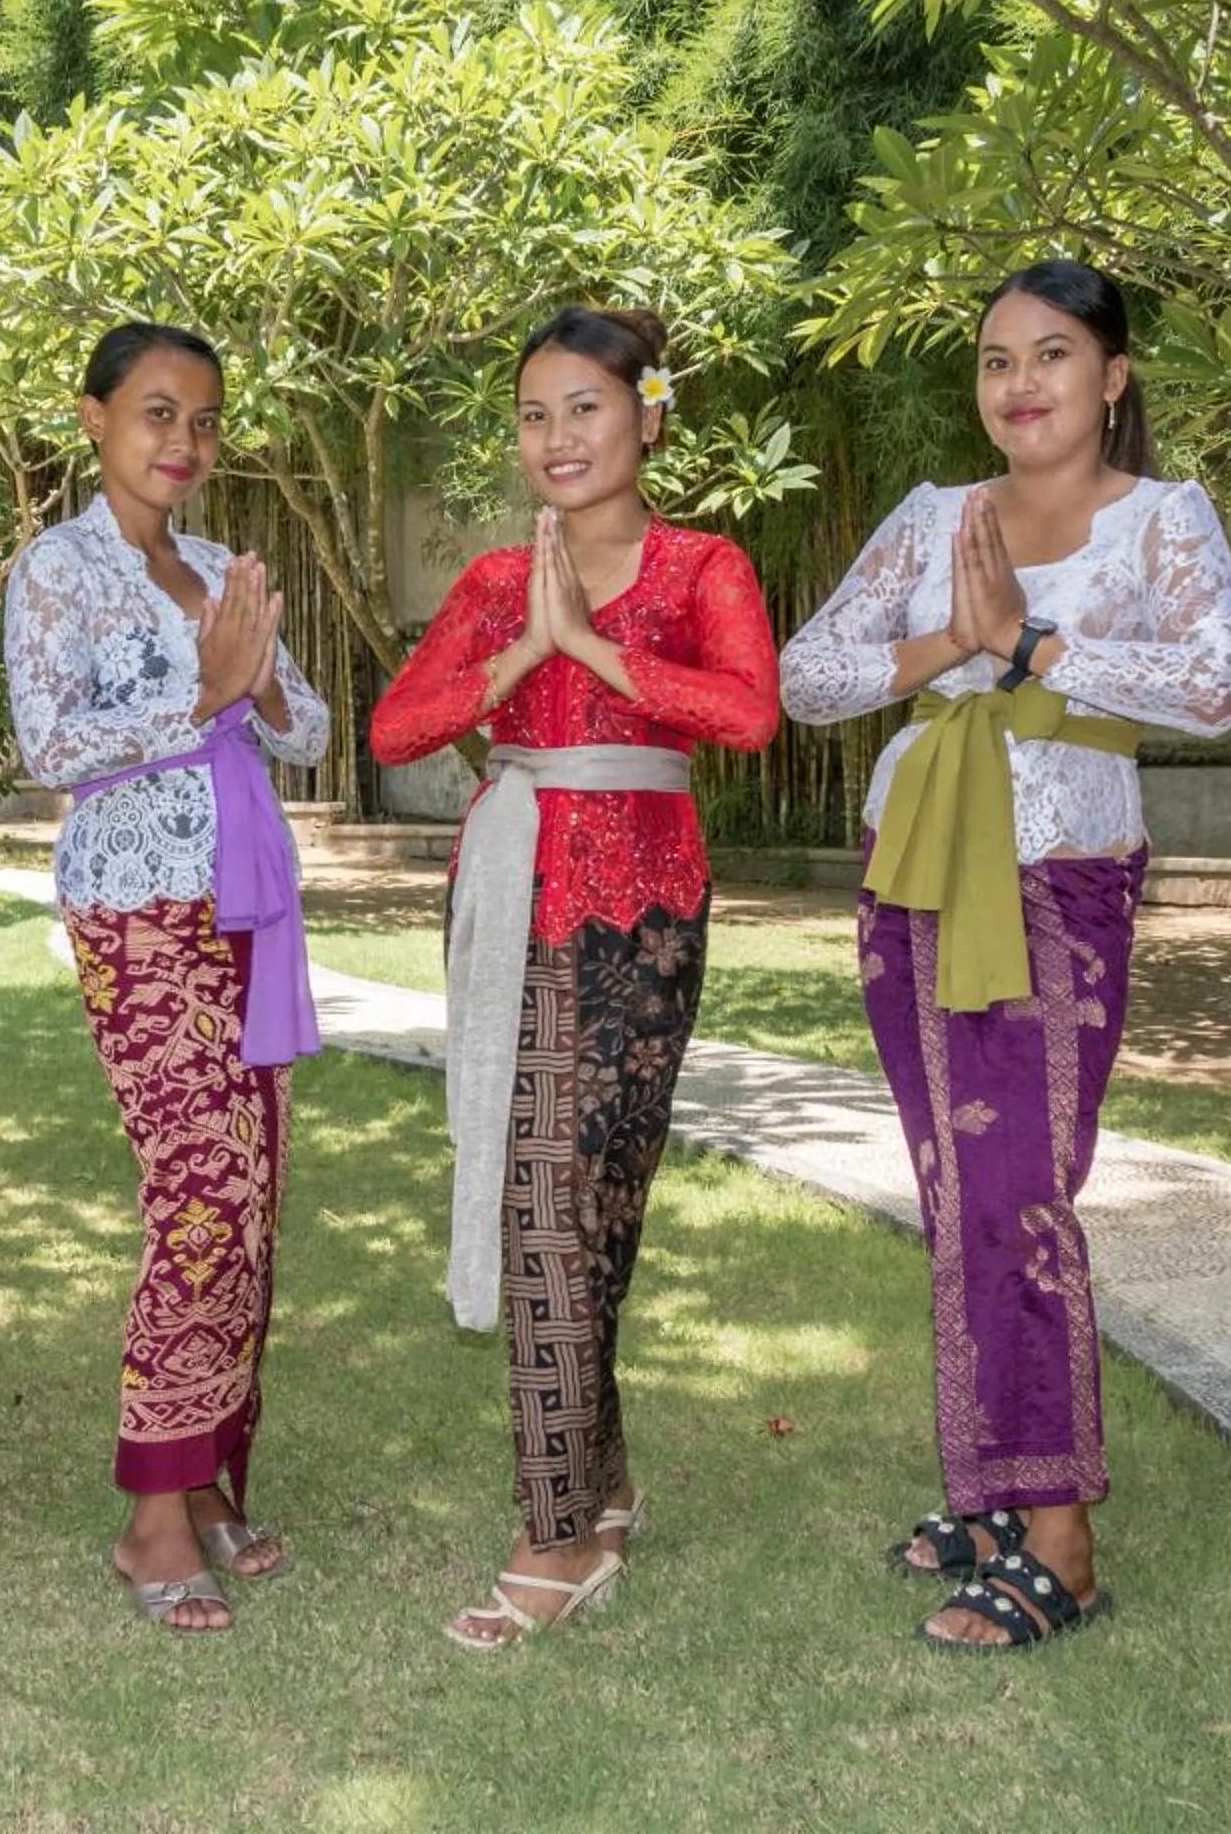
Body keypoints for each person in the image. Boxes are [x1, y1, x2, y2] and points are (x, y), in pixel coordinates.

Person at [781, 259, 1231, 1650]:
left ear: (1113, 376)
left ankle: (1063, 1537)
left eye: (1053, 355)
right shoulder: (935, 517)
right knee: (953, 1190)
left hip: (1061, 875)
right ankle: (989, 1495)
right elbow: (808, 676)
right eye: (997, 360)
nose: (1021, 384)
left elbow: (1219, 681)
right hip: (913, 868)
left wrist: (1031, 645)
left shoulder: (1164, 519)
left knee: (1021, 1193)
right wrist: (951, 643)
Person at [371, 305, 780, 1651]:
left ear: (648, 416)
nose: (557, 437)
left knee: (593, 1203)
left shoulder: (704, 564)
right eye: (535, 414)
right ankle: (568, 1519)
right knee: (534, 1195)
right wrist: (522, 650)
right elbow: (400, 722)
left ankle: (589, 1494)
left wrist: (597, 650)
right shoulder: (497, 579)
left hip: (644, 910)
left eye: (586, 409)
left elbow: (749, 712)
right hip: (509, 894)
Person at [4, 322, 330, 1636]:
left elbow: (304, 722)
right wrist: (199, 694)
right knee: (198, 1187)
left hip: (248, 890)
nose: (182, 441)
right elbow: (46, 745)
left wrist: (248, 675)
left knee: (253, 1191)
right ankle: (152, 1513)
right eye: (154, 413)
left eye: (202, 418)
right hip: (136, 900)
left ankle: (202, 1483)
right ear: (93, 419)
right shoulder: (55, 570)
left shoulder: (219, 565)